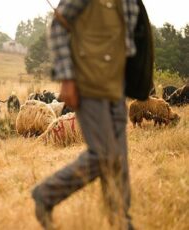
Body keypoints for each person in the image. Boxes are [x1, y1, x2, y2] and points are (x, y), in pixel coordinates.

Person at [31, 0, 149, 229]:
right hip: (88, 83)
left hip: (116, 86)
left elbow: (128, 40)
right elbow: (58, 26)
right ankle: (47, 194)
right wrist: (67, 77)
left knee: (118, 159)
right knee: (103, 154)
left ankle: (120, 221)